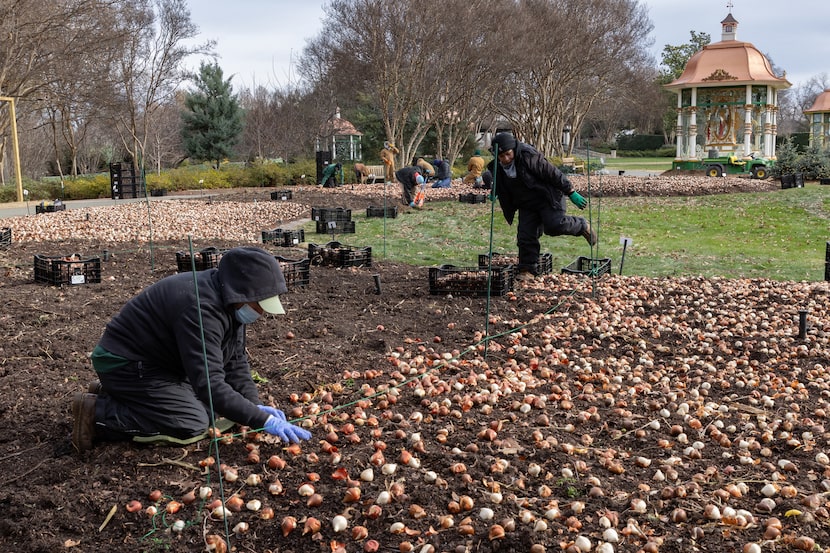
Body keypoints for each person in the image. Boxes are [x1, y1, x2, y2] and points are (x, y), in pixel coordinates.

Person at [71, 247, 312, 452]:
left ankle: (121, 394)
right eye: (259, 305)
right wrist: (263, 420)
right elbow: (210, 384)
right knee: (190, 422)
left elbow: (235, 361)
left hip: (156, 365)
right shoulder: (201, 310)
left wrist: (253, 405)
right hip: (125, 363)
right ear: (242, 291)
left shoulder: (228, 301)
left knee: (217, 410)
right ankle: (96, 412)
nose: (260, 312)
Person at [487, 132, 596, 281]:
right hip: (526, 204)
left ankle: (582, 226)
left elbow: (552, 173)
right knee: (526, 235)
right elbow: (501, 183)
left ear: (513, 149)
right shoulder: (497, 167)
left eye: (508, 154)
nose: (505, 159)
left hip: (547, 197)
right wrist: (496, 191)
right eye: (501, 156)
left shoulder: (527, 156)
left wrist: (570, 192)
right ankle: (527, 269)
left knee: (554, 225)